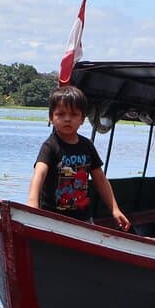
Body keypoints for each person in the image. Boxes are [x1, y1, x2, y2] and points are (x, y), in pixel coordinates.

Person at [28, 85, 131, 231]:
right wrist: (32, 204)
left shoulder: (87, 145)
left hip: (83, 218)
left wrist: (115, 209)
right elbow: (39, 173)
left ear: (82, 119)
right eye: (61, 114)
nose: (67, 119)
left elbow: (100, 179)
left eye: (74, 114)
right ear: (51, 117)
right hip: (52, 217)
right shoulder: (50, 146)